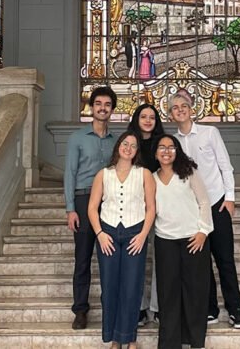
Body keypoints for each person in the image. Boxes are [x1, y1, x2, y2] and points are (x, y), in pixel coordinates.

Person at [168, 90, 240, 329]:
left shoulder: (210, 133)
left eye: (184, 105)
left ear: (192, 109)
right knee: (201, 263)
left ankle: (236, 311)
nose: (180, 109)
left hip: (217, 203)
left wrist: (230, 198)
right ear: (171, 114)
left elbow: (226, 166)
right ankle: (210, 309)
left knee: (225, 259)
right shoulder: (172, 143)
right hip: (192, 210)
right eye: (175, 107)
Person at [88, 131, 156, 349]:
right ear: (118, 146)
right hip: (108, 232)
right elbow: (91, 208)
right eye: (125, 143)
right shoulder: (103, 175)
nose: (128, 147)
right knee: (110, 287)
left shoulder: (144, 174)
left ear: (137, 151)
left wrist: (143, 234)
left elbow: (151, 208)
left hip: (135, 233)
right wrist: (100, 233)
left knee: (132, 287)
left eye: (133, 145)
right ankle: (114, 339)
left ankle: (130, 338)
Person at [152, 134, 213, 349]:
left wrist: (203, 232)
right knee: (168, 294)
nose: (166, 151)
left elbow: (204, 202)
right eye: (162, 147)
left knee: (195, 292)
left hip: (192, 239)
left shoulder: (188, 173)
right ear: (155, 152)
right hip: (165, 240)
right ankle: (170, 343)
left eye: (171, 147)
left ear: (177, 151)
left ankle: (196, 341)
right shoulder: (151, 178)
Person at [64, 86, 118, 330]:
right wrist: (70, 209)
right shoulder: (77, 138)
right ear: (92, 107)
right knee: (83, 258)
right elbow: (69, 174)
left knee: (110, 258)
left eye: (107, 104)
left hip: (110, 202)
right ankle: (80, 310)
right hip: (84, 200)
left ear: (112, 110)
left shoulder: (116, 141)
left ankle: (112, 307)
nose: (102, 108)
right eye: (98, 104)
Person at [127, 104, 166, 326]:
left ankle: (158, 307)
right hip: (136, 208)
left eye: (152, 117)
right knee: (138, 258)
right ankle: (140, 307)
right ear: (137, 119)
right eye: (144, 116)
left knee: (161, 258)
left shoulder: (163, 143)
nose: (148, 120)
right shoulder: (129, 144)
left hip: (160, 207)